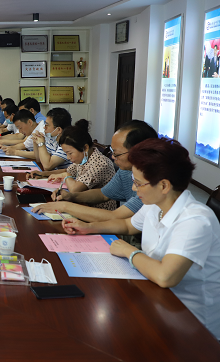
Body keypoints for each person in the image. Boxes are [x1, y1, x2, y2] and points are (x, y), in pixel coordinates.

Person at [62, 137, 220, 340]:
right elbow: (128, 225)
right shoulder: (156, 205)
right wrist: (87, 227)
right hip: (157, 299)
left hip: (193, 324)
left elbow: (166, 276)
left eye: (138, 183)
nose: (134, 189)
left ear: (164, 185)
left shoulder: (195, 220)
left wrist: (129, 251)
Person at [32, 120, 159, 222]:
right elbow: (103, 194)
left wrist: (65, 206)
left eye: (116, 153)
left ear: (139, 152)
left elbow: (116, 217)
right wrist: (71, 196)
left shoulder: (151, 183)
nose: (113, 157)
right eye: (112, 151)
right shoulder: (124, 171)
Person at [30, 120, 117, 211]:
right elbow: (68, 170)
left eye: (70, 153)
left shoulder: (100, 164)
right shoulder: (85, 157)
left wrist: (66, 176)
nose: (68, 157)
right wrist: (44, 174)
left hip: (98, 211)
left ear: (85, 148)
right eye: (66, 154)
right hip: (81, 204)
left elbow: (74, 189)